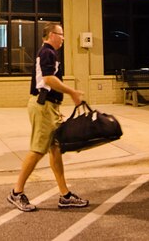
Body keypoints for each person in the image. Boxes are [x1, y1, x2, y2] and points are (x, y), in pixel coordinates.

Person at [7, 22, 89, 212]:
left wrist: (55, 106)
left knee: (56, 149)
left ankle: (65, 195)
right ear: (51, 34)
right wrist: (72, 92)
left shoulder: (50, 53)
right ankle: (16, 192)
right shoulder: (47, 52)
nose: (63, 38)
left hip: (48, 106)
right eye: (61, 34)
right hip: (42, 106)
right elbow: (48, 79)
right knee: (38, 150)